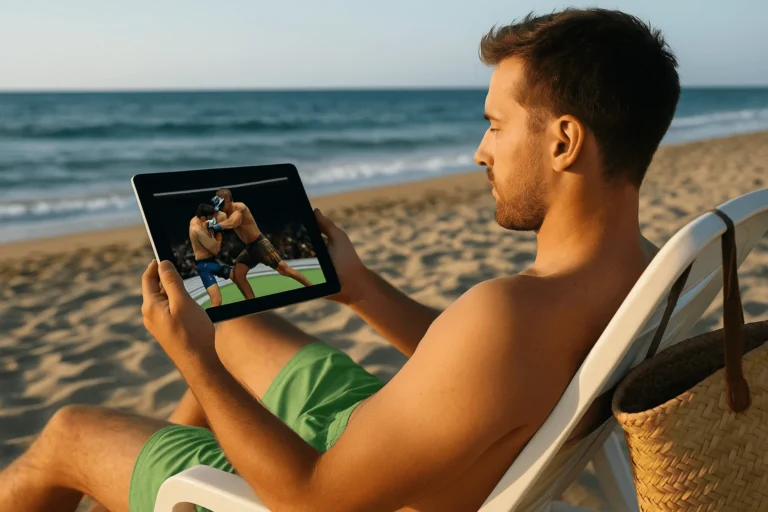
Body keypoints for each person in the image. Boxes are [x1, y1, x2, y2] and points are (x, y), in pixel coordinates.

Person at [0, 8, 679, 512]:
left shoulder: (509, 312)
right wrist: (359, 289)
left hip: (337, 486)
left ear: (563, 142)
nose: (481, 152)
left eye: (496, 125)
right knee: (233, 323)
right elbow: (494, 369)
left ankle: (166, 484)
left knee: (68, 432)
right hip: (403, 438)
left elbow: (311, 499)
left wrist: (194, 363)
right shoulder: (647, 274)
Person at [208, 188, 313, 299]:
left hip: (260, 245)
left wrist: (216, 226)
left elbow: (233, 222)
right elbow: (216, 219)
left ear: (227, 199)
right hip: (250, 248)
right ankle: (252, 302)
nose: (221, 209)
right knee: (238, 274)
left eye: (221, 205)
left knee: (284, 270)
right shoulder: (225, 213)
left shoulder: (239, 208)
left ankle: (311, 288)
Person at [189, 203, 231, 308]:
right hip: (205, 264)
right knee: (217, 301)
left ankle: (250, 303)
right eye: (210, 218)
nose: (213, 219)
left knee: (237, 274)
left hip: (212, 259)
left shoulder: (202, 219)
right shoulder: (196, 229)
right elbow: (216, 249)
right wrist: (219, 234)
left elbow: (222, 216)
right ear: (203, 218)